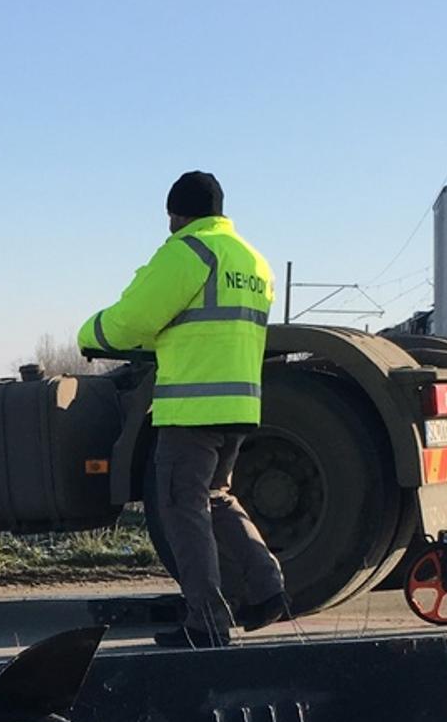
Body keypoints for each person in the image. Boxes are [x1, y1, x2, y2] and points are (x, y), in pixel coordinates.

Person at [78, 171, 289, 648]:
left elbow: (133, 319)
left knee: (182, 509)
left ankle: (206, 623)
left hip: (192, 409)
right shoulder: (253, 261)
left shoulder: (189, 252)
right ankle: (267, 589)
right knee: (215, 497)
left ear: (176, 213)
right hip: (239, 405)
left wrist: (90, 334)